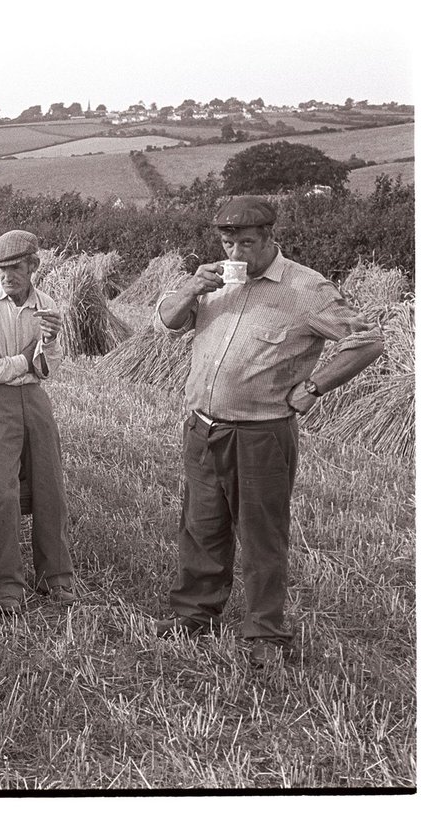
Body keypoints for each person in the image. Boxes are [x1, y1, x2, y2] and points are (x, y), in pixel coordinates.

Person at [153, 195, 384, 667]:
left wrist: (314, 387)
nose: (236, 254)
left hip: (261, 434)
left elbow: (368, 340)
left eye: (246, 243)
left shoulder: (305, 288)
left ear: (269, 238)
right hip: (202, 428)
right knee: (201, 527)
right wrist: (191, 288)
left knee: (261, 536)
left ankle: (264, 633)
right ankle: (195, 614)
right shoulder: (213, 282)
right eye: (227, 242)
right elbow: (168, 322)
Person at [0, 229, 76, 614]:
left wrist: (50, 341)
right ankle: (7, 587)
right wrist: (21, 362)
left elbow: (46, 369)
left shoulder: (47, 305)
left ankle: (54, 577)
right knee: (2, 493)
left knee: (50, 488)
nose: (6, 276)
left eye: (15, 268)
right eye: (0, 269)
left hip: (33, 398)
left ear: (34, 266)